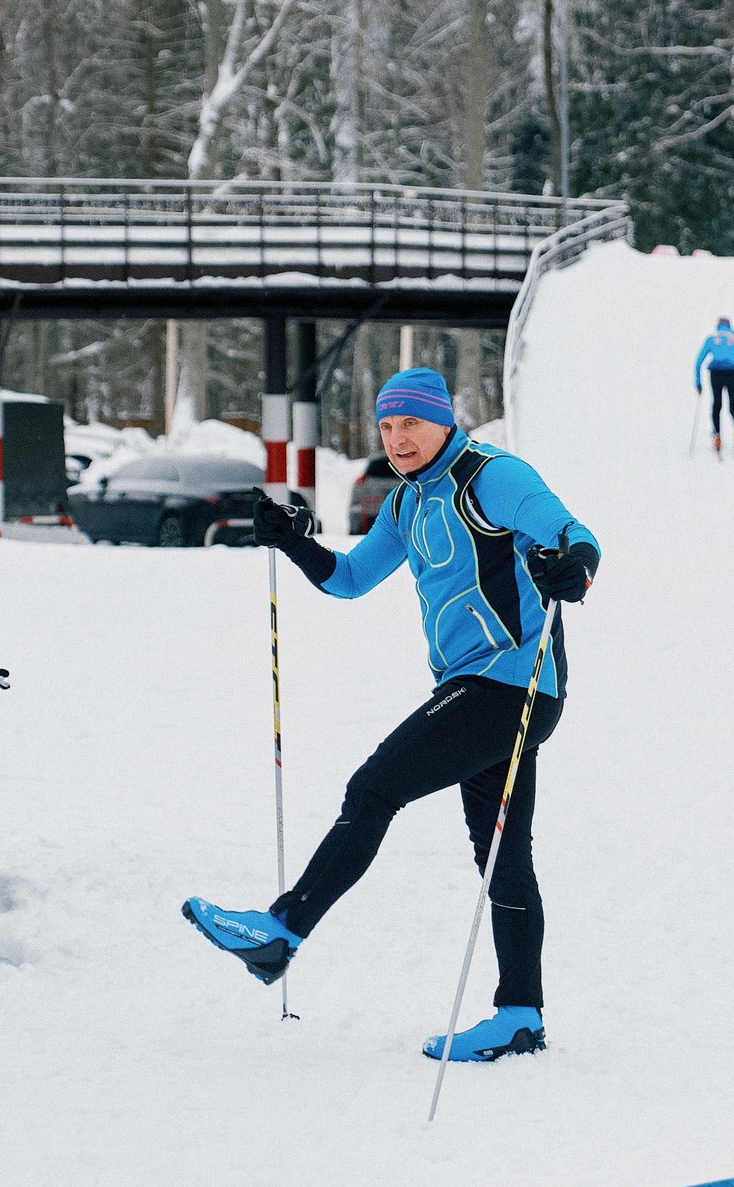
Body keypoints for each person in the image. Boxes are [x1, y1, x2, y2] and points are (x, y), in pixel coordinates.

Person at [184, 367, 599, 1063]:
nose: (399, 438)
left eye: (412, 422)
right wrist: (291, 539)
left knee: (374, 787)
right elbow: (349, 578)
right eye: (387, 425)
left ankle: (282, 929)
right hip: (486, 688)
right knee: (501, 855)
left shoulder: (490, 476)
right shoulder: (408, 504)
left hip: (511, 682)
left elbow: (572, 531)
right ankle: (520, 1015)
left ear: (443, 421)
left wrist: (577, 567)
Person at [694, 317, 734, 460]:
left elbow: (698, 362)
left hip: (716, 373)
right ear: (729, 326)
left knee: (717, 405)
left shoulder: (711, 339)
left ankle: (717, 437)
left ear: (718, 327)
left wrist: (698, 383)